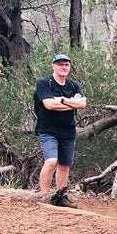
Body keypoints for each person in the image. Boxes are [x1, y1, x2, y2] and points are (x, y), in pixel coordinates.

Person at [34, 53, 87, 206]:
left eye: (66, 64)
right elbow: (49, 105)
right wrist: (72, 103)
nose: (63, 67)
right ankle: (43, 196)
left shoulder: (73, 85)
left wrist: (62, 100)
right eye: (60, 64)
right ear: (53, 66)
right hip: (48, 130)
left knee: (64, 164)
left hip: (68, 131)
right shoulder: (44, 83)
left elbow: (83, 104)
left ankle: (60, 197)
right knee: (51, 161)